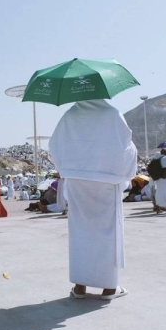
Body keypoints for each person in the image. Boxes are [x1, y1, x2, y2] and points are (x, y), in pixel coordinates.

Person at [49, 99, 137, 300]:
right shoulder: (112, 113)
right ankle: (109, 288)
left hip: (77, 181)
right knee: (107, 232)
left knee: (80, 232)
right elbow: (126, 148)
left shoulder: (70, 115)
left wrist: (70, 167)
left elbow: (54, 146)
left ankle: (80, 286)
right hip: (107, 180)